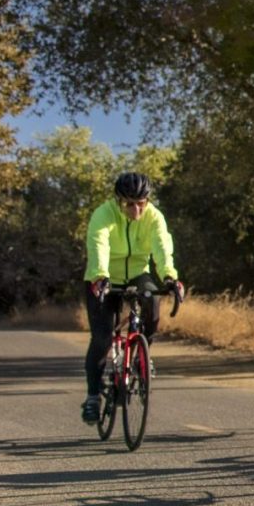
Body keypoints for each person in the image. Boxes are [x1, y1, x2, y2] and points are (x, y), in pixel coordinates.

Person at [81, 172, 184, 423]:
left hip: (138, 273)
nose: (136, 209)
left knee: (152, 303)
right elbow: (98, 246)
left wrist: (170, 277)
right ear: (118, 201)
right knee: (103, 337)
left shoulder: (154, 217)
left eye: (141, 203)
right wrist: (100, 276)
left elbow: (162, 247)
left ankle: (140, 357)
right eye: (129, 203)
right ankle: (93, 397)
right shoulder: (103, 215)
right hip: (104, 276)